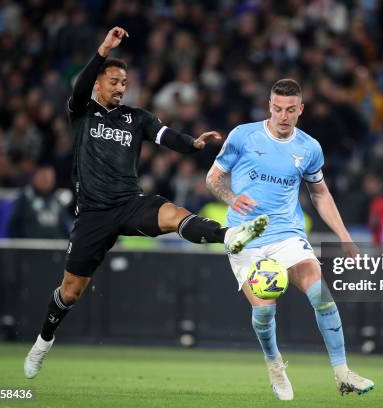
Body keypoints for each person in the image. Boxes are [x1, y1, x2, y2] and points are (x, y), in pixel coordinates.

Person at [24, 27, 268, 379]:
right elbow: (78, 89)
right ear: (98, 83)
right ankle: (43, 342)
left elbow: (165, 136)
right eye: (113, 81)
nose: (120, 88)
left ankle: (229, 236)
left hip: (129, 203)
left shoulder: (135, 118)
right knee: (71, 292)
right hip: (93, 214)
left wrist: (193, 145)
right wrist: (103, 50)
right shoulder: (82, 113)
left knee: (174, 214)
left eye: (124, 82)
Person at [206, 79, 374, 400]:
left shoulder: (309, 148)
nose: (283, 116)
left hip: (287, 234)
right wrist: (231, 197)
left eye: (290, 110)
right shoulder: (243, 136)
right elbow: (213, 179)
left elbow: (320, 194)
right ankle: (274, 365)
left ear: (300, 110)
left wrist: (345, 236)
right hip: (245, 237)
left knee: (321, 294)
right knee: (266, 310)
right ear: (269, 106)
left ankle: (342, 372)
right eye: (278, 109)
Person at [7, 165, 71, 239]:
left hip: (55, 247)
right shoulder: (25, 198)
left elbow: (66, 226)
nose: (46, 180)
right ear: (34, 178)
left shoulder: (58, 200)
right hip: (29, 247)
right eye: (43, 177)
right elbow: (13, 226)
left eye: (50, 178)